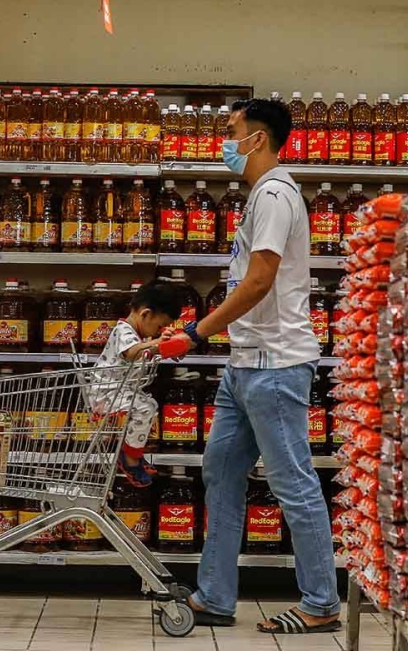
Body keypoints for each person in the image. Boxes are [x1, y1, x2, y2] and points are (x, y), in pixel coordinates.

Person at [170, 97, 341, 634]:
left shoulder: (273, 193)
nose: (223, 142)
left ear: (257, 138)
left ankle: (321, 603)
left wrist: (198, 330)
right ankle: (216, 595)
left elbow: (260, 280)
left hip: (276, 365)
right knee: (220, 471)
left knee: (292, 481)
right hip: (244, 365)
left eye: (230, 131)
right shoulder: (258, 197)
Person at [90, 279, 182, 487]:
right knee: (145, 407)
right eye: (160, 326)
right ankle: (130, 458)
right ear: (145, 314)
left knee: (147, 406)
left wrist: (168, 348)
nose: (159, 331)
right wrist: (158, 343)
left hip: (117, 392)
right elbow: (132, 352)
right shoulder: (124, 330)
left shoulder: (138, 335)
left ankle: (133, 453)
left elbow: (145, 351)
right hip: (107, 393)